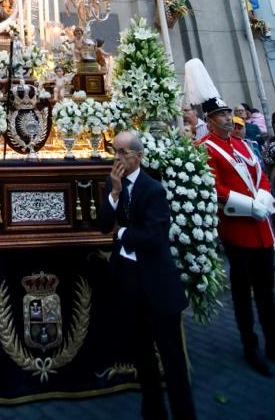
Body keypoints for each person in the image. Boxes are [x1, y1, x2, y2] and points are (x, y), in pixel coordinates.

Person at [98, 129, 196, 419]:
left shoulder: (153, 188)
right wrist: (114, 193)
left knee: (171, 356)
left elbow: (154, 236)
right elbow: (104, 226)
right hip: (129, 279)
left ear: (138, 156)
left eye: (123, 153)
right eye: (114, 152)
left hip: (156, 282)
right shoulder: (112, 183)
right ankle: (153, 409)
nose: (117, 158)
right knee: (141, 352)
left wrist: (124, 232)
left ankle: (184, 413)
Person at [201, 94, 275, 375]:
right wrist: (248, 206)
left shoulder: (243, 145)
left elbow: (261, 175)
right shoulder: (205, 148)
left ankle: (272, 340)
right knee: (243, 292)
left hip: (261, 229)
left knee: (267, 289)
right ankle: (250, 345)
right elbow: (214, 186)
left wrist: (264, 200)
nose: (228, 119)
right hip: (237, 229)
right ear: (209, 121)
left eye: (228, 112)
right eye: (221, 114)